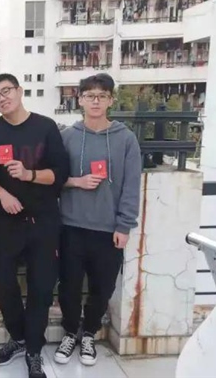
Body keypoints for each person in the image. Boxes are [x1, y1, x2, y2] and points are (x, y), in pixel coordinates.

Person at [0, 74, 70, 378]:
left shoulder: (45, 127)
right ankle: (18, 337)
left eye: (6, 91)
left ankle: (33, 351)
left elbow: (60, 174)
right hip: (8, 220)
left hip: (44, 220)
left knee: (41, 287)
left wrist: (29, 174)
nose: (2, 98)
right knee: (1, 278)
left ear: (19, 91)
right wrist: (2, 194)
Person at [54, 73, 141, 367]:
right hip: (70, 226)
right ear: (80, 100)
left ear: (110, 101)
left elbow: (131, 186)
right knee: (68, 286)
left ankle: (89, 333)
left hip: (108, 229)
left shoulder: (126, 139)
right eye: (90, 95)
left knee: (102, 288)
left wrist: (124, 225)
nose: (95, 101)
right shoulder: (67, 137)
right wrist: (76, 181)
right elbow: (54, 179)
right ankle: (70, 332)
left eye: (102, 96)